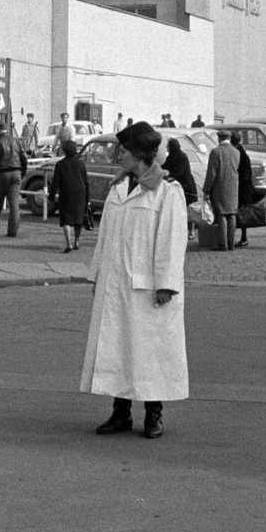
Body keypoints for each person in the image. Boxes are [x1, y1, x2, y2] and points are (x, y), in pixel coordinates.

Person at [81, 121, 188, 440]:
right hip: (116, 283)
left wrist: (167, 283)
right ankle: (120, 413)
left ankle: (154, 414)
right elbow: (105, 236)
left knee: (149, 351)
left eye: (124, 151)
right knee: (117, 348)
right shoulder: (117, 188)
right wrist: (97, 273)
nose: (120, 155)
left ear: (140, 154)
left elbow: (172, 239)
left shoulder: (167, 191)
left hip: (147, 288)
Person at [0, 114, 26, 236]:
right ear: (6, 129)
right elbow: (24, 158)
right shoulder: (16, 141)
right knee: (14, 203)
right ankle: (13, 230)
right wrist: (22, 172)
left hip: (1, 174)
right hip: (16, 173)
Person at [48, 136, 90, 252]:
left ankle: (68, 243)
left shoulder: (60, 164)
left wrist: (51, 197)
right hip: (80, 193)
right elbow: (86, 182)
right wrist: (88, 198)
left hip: (66, 193)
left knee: (66, 218)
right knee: (78, 218)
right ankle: (77, 241)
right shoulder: (81, 164)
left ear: (64, 150)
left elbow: (55, 182)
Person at [202, 135, 240, 251]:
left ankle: (223, 244)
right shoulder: (236, 152)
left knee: (222, 214)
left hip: (220, 187)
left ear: (219, 139)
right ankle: (231, 243)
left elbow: (211, 173)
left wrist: (206, 190)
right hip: (233, 187)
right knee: (232, 214)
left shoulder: (215, 152)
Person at [162, 138, 198, 210]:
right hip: (179, 186)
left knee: (187, 209)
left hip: (186, 187)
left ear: (172, 147)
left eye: (167, 146)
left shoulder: (182, 157)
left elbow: (177, 173)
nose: (166, 148)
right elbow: (164, 167)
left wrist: (166, 178)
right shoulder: (171, 156)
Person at [233, 132, 256, 246]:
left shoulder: (239, 153)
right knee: (242, 212)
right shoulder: (241, 151)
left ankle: (243, 238)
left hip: (243, 188)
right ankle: (242, 237)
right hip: (245, 187)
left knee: (242, 213)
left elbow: (244, 173)